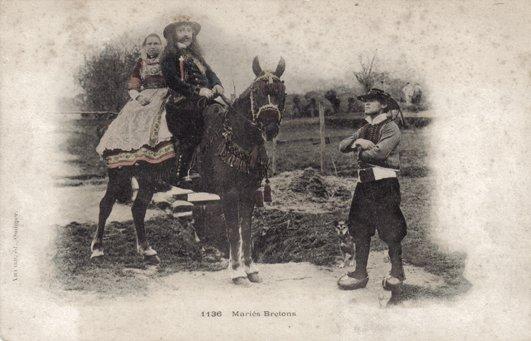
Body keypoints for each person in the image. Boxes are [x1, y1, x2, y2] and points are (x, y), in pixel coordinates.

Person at [337, 88, 407, 292]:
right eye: (365, 101)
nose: (366, 104)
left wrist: (359, 149)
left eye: (372, 100)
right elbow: (342, 145)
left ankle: (397, 273)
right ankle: (360, 273)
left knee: (391, 228)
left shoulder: (391, 127)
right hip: (364, 186)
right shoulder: (364, 128)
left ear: (383, 104)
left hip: (385, 185)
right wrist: (359, 141)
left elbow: (379, 153)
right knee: (359, 228)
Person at [96, 33, 175, 188]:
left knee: (165, 117)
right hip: (145, 96)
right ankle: (136, 159)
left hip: (166, 94)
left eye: (156, 43)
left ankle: (162, 160)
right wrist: (138, 98)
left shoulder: (167, 61)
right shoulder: (141, 63)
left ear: (161, 46)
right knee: (133, 115)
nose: (153, 46)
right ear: (145, 47)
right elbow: (133, 86)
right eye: (150, 44)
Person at [161, 16, 224, 185]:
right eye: (181, 30)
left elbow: (210, 74)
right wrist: (198, 90)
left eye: (189, 30)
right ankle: (184, 172)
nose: (186, 34)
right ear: (174, 35)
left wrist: (217, 85)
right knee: (195, 127)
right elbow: (173, 81)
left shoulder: (197, 57)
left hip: (202, 101)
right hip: (181, 103)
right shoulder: (169, 57)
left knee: (224, 116)